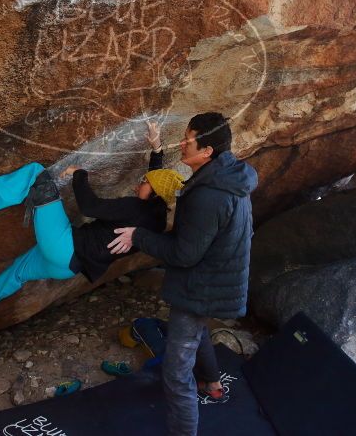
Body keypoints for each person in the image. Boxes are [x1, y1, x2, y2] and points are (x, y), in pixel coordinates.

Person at [0, 123, 184, 322]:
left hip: (65, 247)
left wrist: (79, 174)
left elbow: (90, 207)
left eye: (144, 182)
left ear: (153, 193)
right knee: (17, 273)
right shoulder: (154, 221)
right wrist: (156, 148)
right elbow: (158, 183)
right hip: (68, 268)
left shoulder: (135, 208)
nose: (139, 182)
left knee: (35, 176)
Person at [108, 112, 258, 436]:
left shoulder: (208, 195)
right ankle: (213, 383)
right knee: (197, 331)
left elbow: (183, 254)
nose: (183, 142)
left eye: (189, 139)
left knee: (176, 371)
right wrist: (157, 149)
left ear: (207, 151)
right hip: (219, 280)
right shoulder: (227, 178)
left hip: (200, 288)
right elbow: (170, 184)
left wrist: (138, 236)